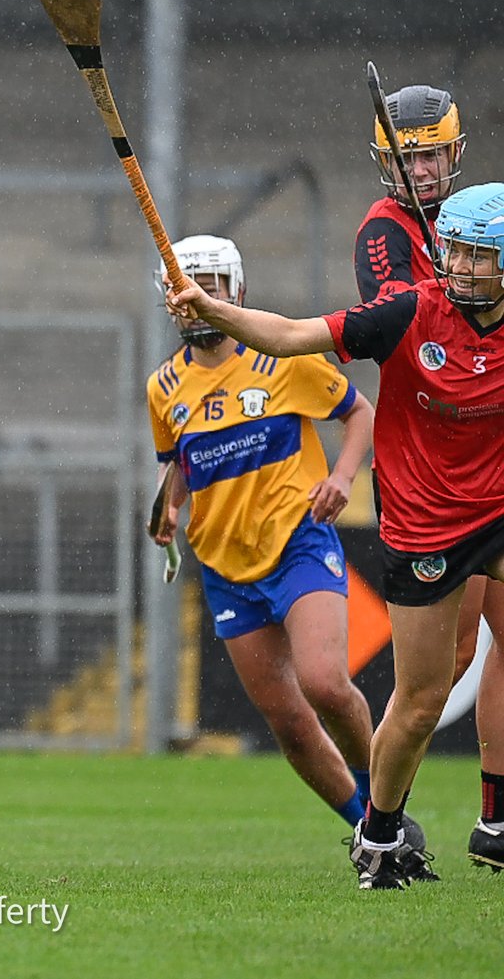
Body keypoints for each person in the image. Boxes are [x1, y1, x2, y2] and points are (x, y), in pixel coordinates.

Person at [168, 182, 504, 889]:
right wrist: (213, 309)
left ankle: (493, 821)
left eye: (478, 257)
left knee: (354, 681)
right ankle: (379, 831)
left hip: (491, 510)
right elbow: (293, 336)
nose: (460, 267)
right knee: (417, 702)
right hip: (425, 523)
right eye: (458, 253)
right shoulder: (409, 309)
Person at [148, 235, 384, 842]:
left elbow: (359, 413)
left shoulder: (280, 357)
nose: (200, 299)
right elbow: (180, 463)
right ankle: (369, 829)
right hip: (227, 567)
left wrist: (340, 476)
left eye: (214, 286)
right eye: (186, 288)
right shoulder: (163, 389)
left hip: (299, 543)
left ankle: (387, 806)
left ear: (238, 292)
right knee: (289, 722)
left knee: (326, 684)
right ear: (170, 301)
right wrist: (169, 506)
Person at [355, 86, 504, 871]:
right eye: (406, 156)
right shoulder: (385, 233)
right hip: (430, 470)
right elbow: (391, 320)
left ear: (455, 151)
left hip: (493, 463)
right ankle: (384, 821)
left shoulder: (486, 219)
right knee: (441, 665)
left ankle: (496, 821)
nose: (419, 170)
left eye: (430, 154)